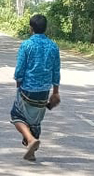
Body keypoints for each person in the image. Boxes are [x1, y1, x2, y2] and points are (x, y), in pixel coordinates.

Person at [11, 14, 61, 161]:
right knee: (36, 120)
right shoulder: (53, 46)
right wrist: (56, 92)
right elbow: (56, 70)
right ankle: (31, 152)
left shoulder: (26, 45)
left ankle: (31, 140)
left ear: (30, 28)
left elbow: (20, 69)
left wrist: (18, 84)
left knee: (17, 116)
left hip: (28, 89)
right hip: (44, 91)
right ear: (46, 28)